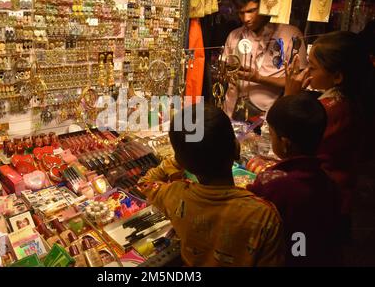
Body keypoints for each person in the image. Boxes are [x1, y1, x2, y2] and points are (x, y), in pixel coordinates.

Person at [138, 104, 285, 266]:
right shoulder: (264, 216)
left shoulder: (174, 195)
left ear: (184, 163)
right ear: (236, 149)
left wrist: (173, 161)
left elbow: (145, 183)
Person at [284, 31, 375, 242]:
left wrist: (289, 96)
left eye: (313, 68)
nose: (307, 71)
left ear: (337, 76)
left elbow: (289, 143)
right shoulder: (346, 102)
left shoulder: (331, 109)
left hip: (324, 196)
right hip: (336, 192)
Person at [246, 94, 342, 266]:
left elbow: (251, 222)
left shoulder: (272, 184)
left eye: (272, 134)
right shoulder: (327, 180)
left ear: (285, 143)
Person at [222, 0, 307, 121]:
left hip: (271, 116)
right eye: (241, 13)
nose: (246, 18)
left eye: (251, 11)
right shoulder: (234, 36)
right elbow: (226, 72)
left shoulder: (291, 35)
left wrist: (259, 78)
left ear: (264, 6)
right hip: (233, 113)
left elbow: (301, 82)